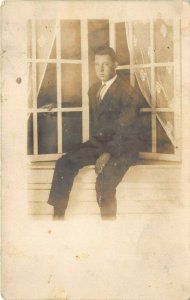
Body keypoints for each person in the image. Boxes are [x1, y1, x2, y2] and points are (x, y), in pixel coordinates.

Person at [48, 46, 141, 220]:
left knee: (105, 182)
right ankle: (57, 218)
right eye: (97, 64)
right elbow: (84, 108)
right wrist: (56, 105)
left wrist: (107, 153)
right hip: (100, 144)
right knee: (64, 163)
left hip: (123, 148)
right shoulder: (94, 89)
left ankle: (108, 227)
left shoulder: (127, 92)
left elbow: (125, 129)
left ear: (115, 65)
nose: (100, 69)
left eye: (105, 64)